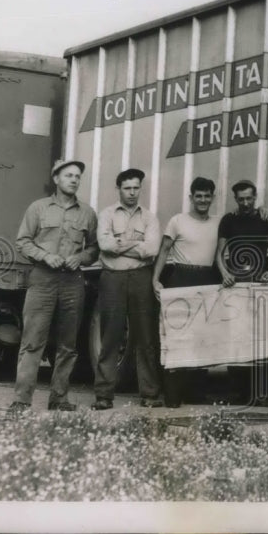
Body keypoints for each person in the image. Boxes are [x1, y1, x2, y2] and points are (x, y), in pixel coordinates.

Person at [8, 159, 98, 414]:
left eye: (77, 176)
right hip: (42, 278)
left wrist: (79, 258)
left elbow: (93, 249)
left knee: (68, 344)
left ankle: (59, 398)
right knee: (33, 341)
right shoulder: (38, 208)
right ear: (56, 179)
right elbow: (23, 241)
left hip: (72, 282)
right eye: (68, 175)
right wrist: (46, 256)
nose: (73, 180)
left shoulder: (87, 213)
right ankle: (21, 399)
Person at [91, 168, 162, 410]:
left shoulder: (150, 218)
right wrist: (136, 245)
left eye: (136, 188)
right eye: (127, 188)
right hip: (113, 278)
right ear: (118, 189)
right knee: (110, 336)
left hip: (141, 277)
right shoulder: (107, 214)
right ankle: (103, 395)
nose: (132, 193)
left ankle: (150, 394)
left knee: (145, 336)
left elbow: (152, 249)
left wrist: (121, 244)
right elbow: (104, 244)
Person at [152, 176, 222, 407]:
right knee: (177, 337)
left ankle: (196, 393)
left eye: (207, 196)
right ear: (191, 198)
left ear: (213, 197)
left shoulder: (218, 222)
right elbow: (163, 251)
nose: (203, 200)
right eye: (198, 196)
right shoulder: (177, 221)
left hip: (208, 278)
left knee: (201, 338)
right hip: (181, 278)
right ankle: (172, 394)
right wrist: (155, 280)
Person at [216, 180, 268, 404]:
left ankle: (260, 393)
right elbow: (219, 252)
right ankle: (237, 392)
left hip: (259, 285)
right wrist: (225, 273)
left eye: (249, 198)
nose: (245, 203)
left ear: (255, 197)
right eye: (241, 199)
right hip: (236, 285)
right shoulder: (228, 220)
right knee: (236, 337)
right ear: (235, 199)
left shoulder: (265, 219)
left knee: (261, 338)